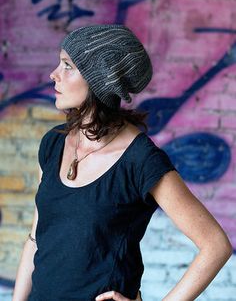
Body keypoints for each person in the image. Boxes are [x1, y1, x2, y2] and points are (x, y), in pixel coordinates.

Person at [12, 24, 233, 301]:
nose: (53, 75)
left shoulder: (140, 159)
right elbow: (35, 240)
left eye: (68, 66)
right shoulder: (53, 144)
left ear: (99, 80)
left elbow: (215, 245)